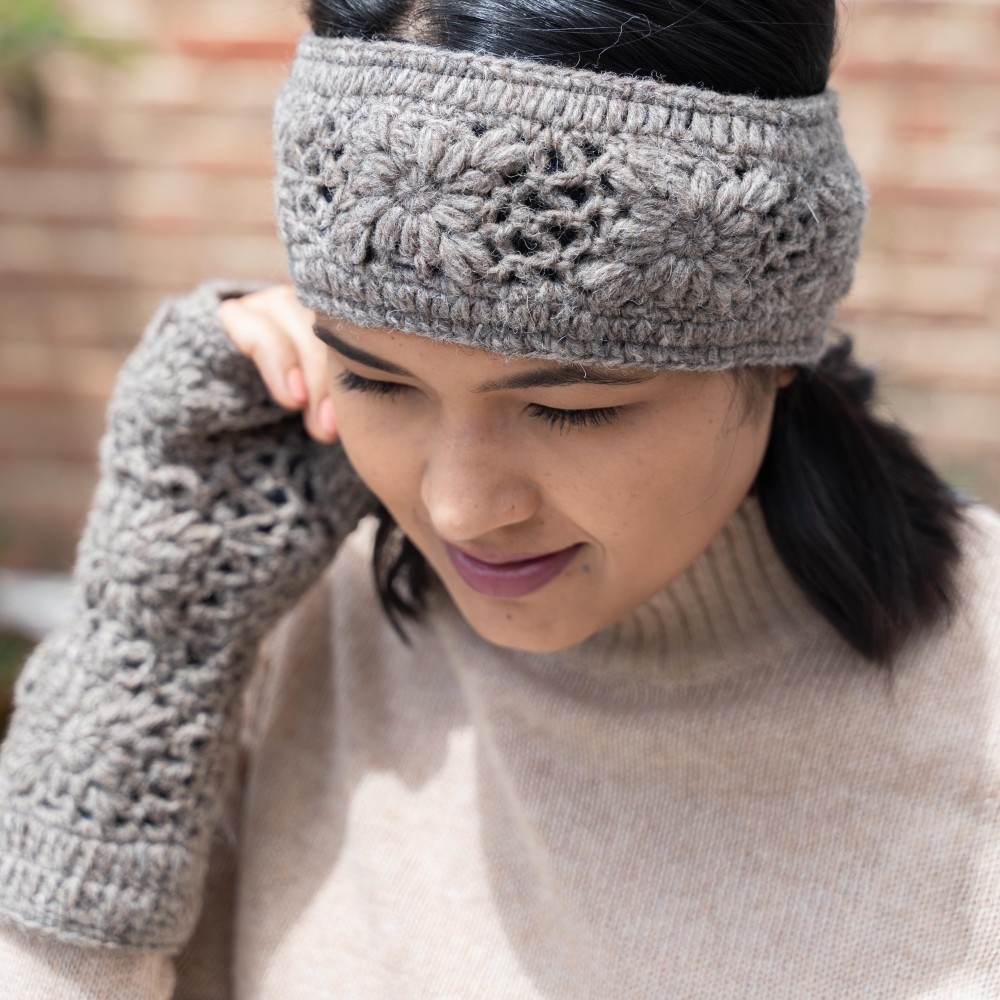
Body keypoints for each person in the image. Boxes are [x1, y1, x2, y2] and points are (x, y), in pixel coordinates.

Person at [0, 0, 998, 997]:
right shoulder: (270, 628)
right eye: (378, 383)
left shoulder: (977, 711)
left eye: (569, 408)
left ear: (776, 347)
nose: (460, 509)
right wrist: (149, 638)